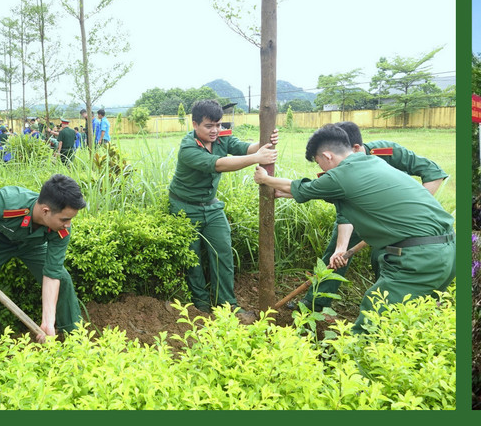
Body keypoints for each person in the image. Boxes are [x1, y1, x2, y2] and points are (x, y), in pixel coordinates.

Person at [253, 124, 455, 333]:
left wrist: (266, 179)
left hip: (420, 258)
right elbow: (333, 199)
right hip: (448, 250)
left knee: (374, 313)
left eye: (318, 161)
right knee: (414, 317)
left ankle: (354, 362)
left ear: (327, 155)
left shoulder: (342, 175)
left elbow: (306, 188)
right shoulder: (371, 161)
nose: (321, 168)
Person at [296, 120, 449, 313]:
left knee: (385, 256)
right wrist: (341, 248)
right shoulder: (340, 170)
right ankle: (315, 303)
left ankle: (388, 303)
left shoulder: (384, 151)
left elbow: (434, 172)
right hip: (359, 214)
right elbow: (344, 211)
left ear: (355, 148)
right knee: (335, 252)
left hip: (398, 223)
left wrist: (401, 214)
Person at [168, 99, 277, 317]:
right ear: (195, 124)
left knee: (223, 254)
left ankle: (226, 305)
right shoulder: (188, 147)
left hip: (212, 206)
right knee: (193, 258)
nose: (215, 130)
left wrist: (265, 142)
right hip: (184, 207)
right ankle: (200, 305)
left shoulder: (221, 137)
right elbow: (219, 164)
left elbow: (245, 148)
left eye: (218, 124)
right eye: (209, 126)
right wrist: (256, 158)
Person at [0, 174, 87, 340]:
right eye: (65, 219)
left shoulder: (61, 229)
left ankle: (76, 338)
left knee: (62, 279)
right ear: (46, 211)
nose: (68, 225)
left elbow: (52, 273)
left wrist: (47, 322)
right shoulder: (5, 202)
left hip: (31, 246)